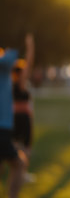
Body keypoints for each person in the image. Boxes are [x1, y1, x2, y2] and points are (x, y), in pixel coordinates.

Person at [0, 42, 29, 198]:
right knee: (19, 163)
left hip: (4, 128)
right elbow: (13, 54)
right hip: (1, 128)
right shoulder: (3, 67)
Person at [12, 33, 36, 182]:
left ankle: (20, 172)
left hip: (16, 117)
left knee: (17, 145)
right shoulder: (19, 83)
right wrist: (30, 46)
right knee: (24, 147)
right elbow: (29, 62)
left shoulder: (10, 83)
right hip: (22, 118)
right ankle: (22, 173)